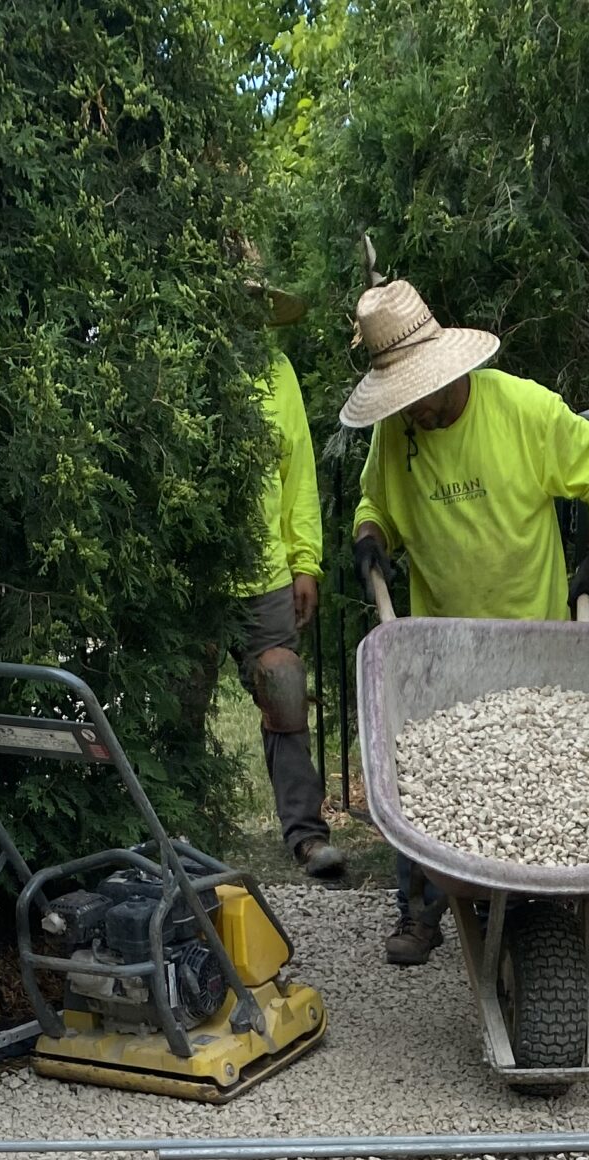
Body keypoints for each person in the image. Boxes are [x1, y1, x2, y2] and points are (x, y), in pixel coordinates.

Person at [338, 277, 589, 965]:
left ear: (451, 372)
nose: (414, 412)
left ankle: (534, 913)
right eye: (402, 401)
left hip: (532, 646)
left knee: (526, 788)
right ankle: (421, 908)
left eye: (421, 396)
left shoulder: (522, 411)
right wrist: (370, 537)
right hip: (442, 646)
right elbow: (375, 502)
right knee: (421, 779)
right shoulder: (398, 432)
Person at [235, 275, 339, 882]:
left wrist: (305, 562)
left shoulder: (278, 372)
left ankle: (306, 834)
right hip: (194, 577)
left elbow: (298, 470)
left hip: (266, 570)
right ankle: (176, 832)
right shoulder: (182, 362)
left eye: (254, 305)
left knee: (284, 689)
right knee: (179, 707)